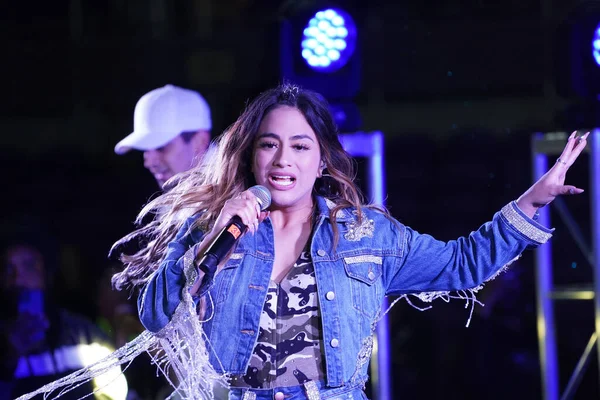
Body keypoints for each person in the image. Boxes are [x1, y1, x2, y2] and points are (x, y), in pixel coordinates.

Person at [18, 83, 589, 400]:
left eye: (299, 146)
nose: (282, 160)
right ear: (251, 154)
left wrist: (532, 201)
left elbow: (461, 265)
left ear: (322, 160)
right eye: (269, 145)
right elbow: (157, 316)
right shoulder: (212, 224)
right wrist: (206, 241)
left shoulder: (364, 234)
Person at [0, 240, 128, 400]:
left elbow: (115, 392)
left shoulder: (85, 334)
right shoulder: (4, 345)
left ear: (46, 272)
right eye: (8, 269)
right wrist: (8, 358)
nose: (18, 280)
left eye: (29, 266)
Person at [115, 84, 212, 188]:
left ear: (200, 141)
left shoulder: (229, 194)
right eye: (146, 148)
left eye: (161, 147)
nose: (149, 162)